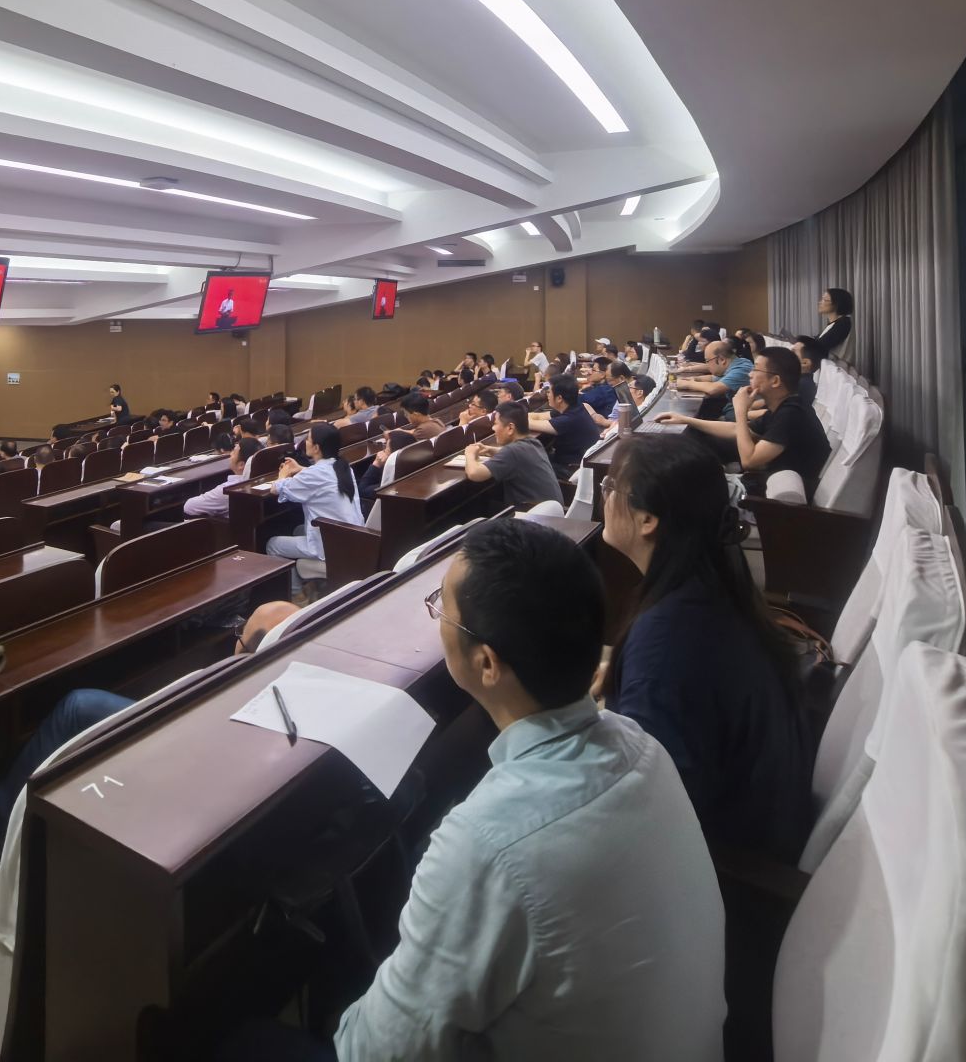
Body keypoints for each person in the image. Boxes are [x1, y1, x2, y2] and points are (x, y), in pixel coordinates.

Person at [330, 519, 724, 1059]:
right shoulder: (641, 744)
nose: (438, 622)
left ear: (487, 663)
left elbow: (374, 1053)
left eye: (442, 610)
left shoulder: (486, 844)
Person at [0, 599, 301, 915]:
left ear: (244, 650)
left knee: (78, 707)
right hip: (227, 747)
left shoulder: (254, 691)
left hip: (200, 756)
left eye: (241, 637)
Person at [598, 432, 812, 861]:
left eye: (611, 487)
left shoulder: (667, 639)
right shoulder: (710, 590)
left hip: (722, 866)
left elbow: (652, 806)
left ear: (647, 520)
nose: (605, 496)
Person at [677, 348, 832, 498]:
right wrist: (687, 420)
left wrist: (741, 411)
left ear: (775, 381)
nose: (750, 374)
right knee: (696, 433)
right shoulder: (783, 407)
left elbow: (749, 461)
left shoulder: (791, 414)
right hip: (769, 480)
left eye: (756, 370)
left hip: (778, 498)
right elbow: (735, 429)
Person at [270, 422, 364, 592]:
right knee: (298, 529)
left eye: (308, 439)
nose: (305, 442)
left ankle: (297, 595)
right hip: (353, 539)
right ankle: (312, 586)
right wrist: (301, 469)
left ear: (316, 448)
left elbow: (276, 488)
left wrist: (282, 475)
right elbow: (320, 477)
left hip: (331, 546)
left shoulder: (314, 474)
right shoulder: (343, 467)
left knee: (272, 544)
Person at [463, 402, 563, 508]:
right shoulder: (534, 442)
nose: (493, 428)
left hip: (531, 515)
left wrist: (469, 454)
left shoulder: (513, 451)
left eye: (496, 424)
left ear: (510, 428)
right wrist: (492, 450)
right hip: (551, 512)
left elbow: (474, 474)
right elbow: (517, 456)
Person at [524, 376, 602, 476]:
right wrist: (520, 415)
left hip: (571, 468)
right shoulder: (575, 407)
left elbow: (528, 423)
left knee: (526, 464)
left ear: (559, 398)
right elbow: (538, 416)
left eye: (549, 392)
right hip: (573, 461)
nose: (547, 394)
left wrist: (512, 417)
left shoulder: (569, 419)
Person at [674, 340, 751, 419]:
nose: (707, 365)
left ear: (722, 360)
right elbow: (713, 378)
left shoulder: (742, 369)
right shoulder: (736, 364)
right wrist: (691, 379)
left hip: (742, 417)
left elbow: (714, 389)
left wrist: (687, 384)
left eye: (707, 361)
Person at [182, 439, 252, 519]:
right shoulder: (256, 480)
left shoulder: (228, 489)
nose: (230, 454)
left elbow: (189, 507)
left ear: (241, 465)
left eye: (233, 452)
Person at [811, 287, 854, 359]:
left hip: (834, 365)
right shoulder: (835, 324)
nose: (820, 302)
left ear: (836, 304)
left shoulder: (843, 324)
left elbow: (818, 347)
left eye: (825, 300)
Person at [790, 337, 822, 403]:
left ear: (805, 363)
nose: (786, 354)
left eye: (792, 352)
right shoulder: (805, 383)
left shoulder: (799, 386)